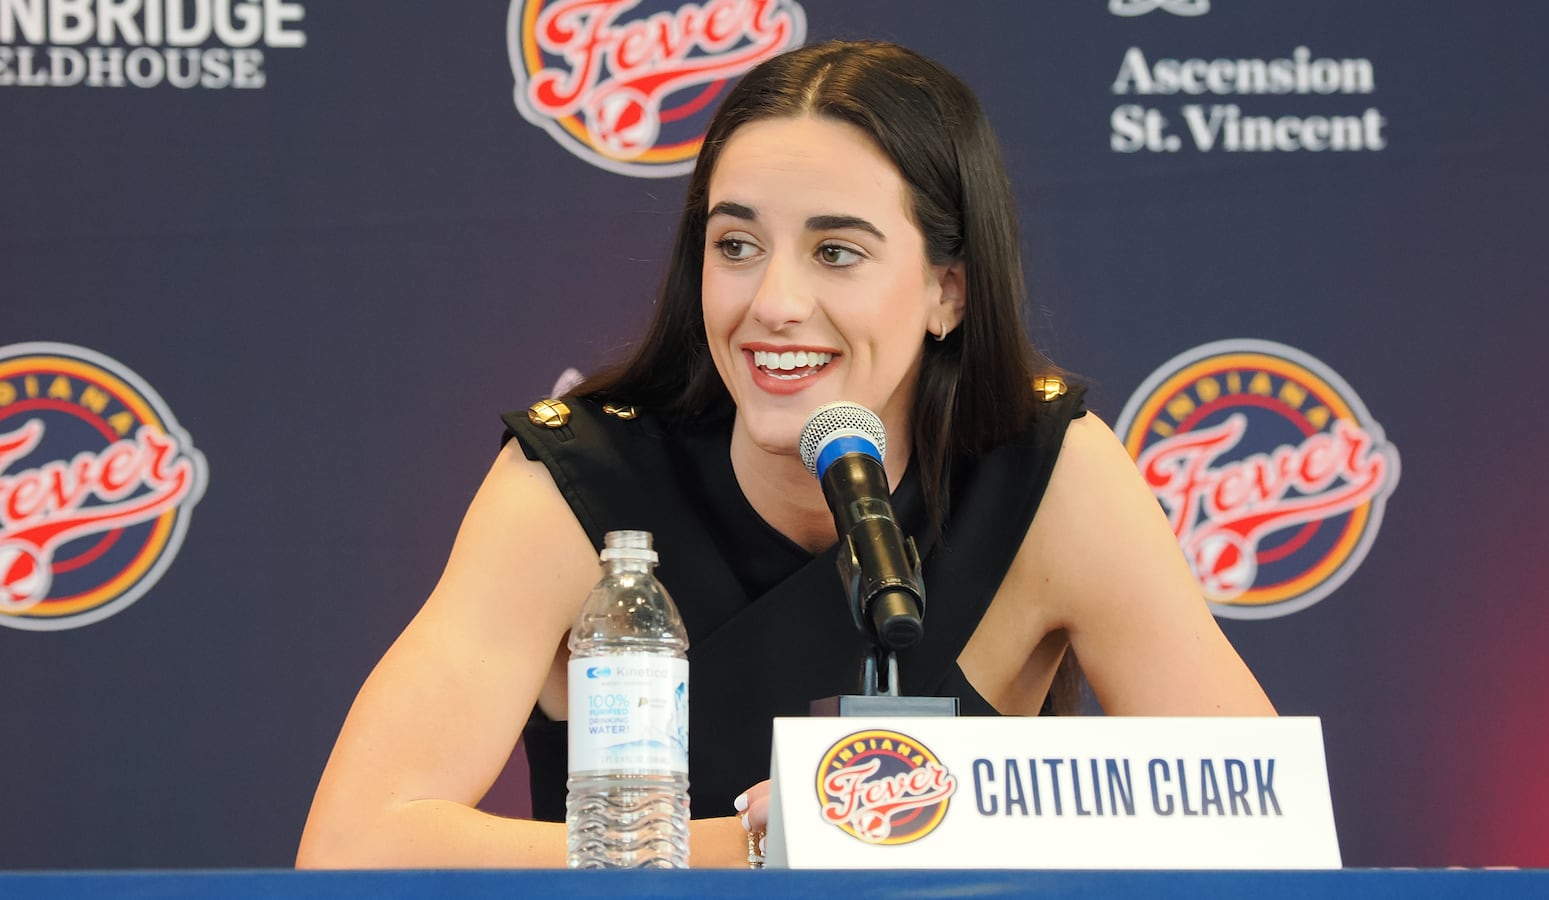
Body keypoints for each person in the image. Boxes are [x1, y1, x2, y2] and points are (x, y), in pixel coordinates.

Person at [296, 39, 1275, 870]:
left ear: (949, 291)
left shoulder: (1047, 472)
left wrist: (929, 824)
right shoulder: (574, 486)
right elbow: (354, 843)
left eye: (835, 252)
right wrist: (766, 844)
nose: (772, 303)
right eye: (736, 246)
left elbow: (1259, 819)